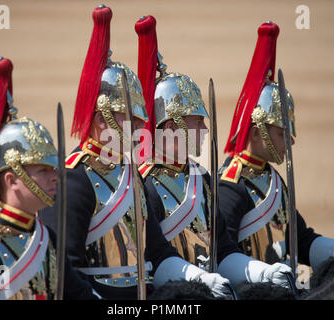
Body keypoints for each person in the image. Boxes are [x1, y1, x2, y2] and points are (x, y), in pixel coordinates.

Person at [39, 5, 231, 300]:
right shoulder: (73, 179)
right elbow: (65, 269)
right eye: (131, 116)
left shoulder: (129, 173)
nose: (143, 124)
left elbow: (156, 251)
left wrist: (198, 279)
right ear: (102, 119)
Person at [136, 16, 293, 293]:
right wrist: (199, 281)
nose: (205, 129)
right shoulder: (146, 185)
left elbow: (223, 250)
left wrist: (263, 272)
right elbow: (151, 261)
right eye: (198, 121)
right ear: (172, 126)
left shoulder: (203, 179)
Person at [217, 21, 334, 288]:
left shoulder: (273, 181)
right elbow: (222, 257)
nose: (290, 141)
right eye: (281, 133)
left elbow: (302, 242)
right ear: (256, 133)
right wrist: (264, 275)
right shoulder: (231, 186)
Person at [0, 57, 97, 300]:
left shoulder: (47, 239)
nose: (56, 178)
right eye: (43, 171)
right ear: (12, 180)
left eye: (54, 169)